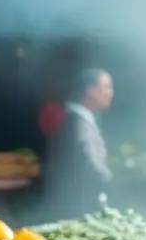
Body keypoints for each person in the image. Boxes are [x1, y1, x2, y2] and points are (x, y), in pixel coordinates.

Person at [41, 68, 114, 220]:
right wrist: (115, 184)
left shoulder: (79, 120)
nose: (110, 92)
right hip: (78, 209)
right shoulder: (79, 124)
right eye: (106, 87)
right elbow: (92, 165)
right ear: (91, 91)